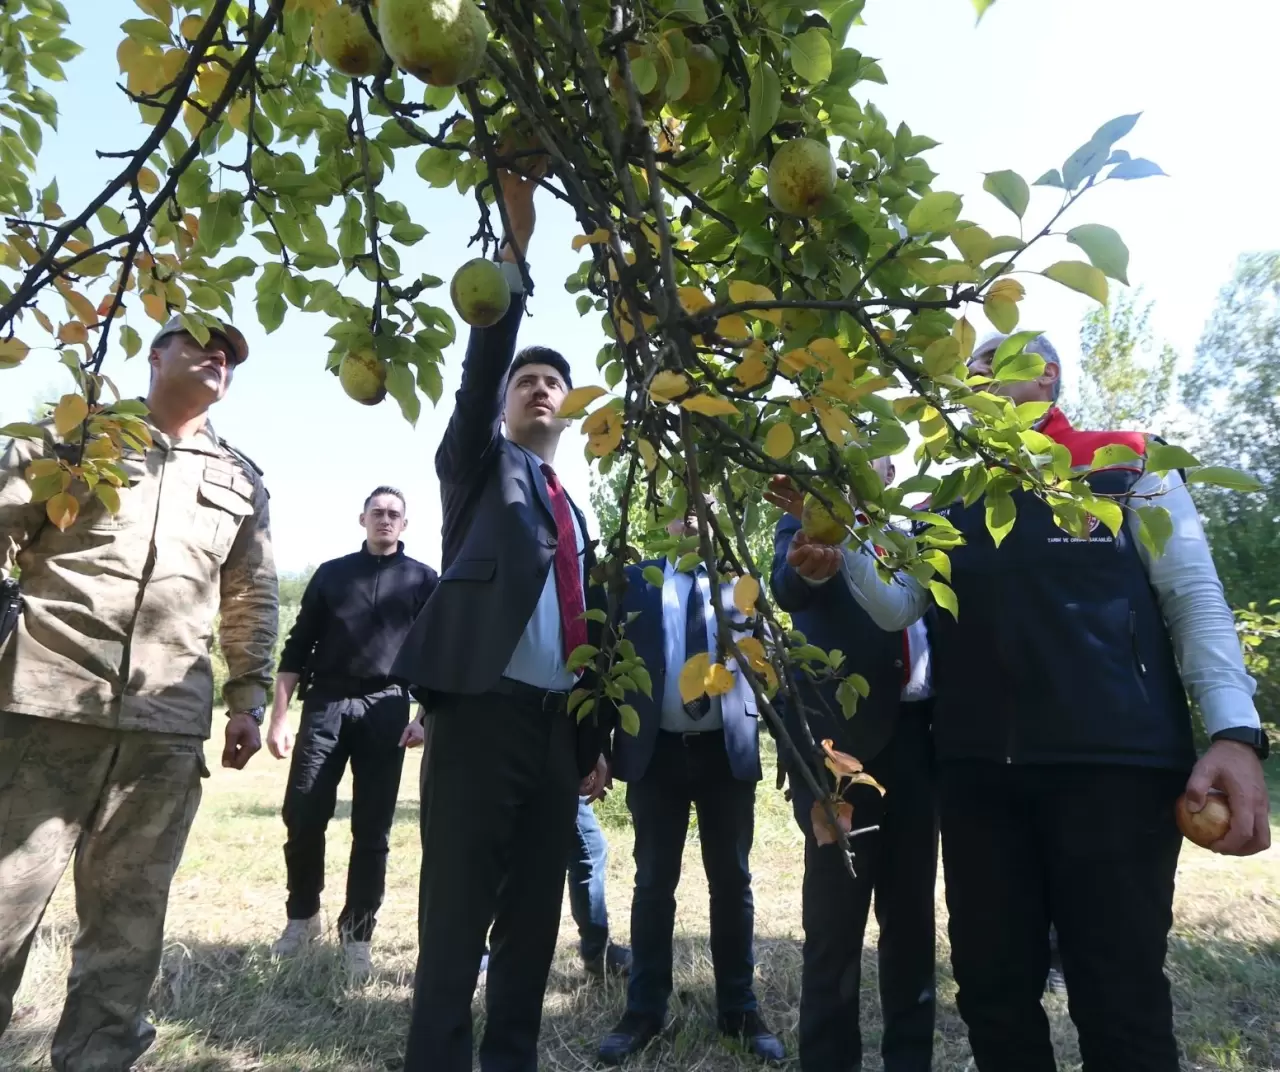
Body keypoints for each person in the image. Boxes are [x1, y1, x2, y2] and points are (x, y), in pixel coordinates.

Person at [785, 331, 1271, 1072]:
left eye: (989, 367)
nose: (972, 382)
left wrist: (1235, 732)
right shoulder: (948, 500)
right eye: (966, 375)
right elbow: (895, 606)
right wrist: (845, 525)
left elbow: (1194, 598)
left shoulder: (1127, 462)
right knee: (992, 994)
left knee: (1120, 999)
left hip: (1115, 772)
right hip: (979, 778)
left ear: (1045, 376)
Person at [0, 315, 277, 1071]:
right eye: (200, 343)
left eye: (229, 355)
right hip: (43, 702)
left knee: (129, 923)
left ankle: (97, 1059)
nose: (218, 357)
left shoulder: (240, 479)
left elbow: (250, 595)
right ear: (155, 356)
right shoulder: (75, 440)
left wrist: (248, 698)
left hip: (165, 726)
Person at [391, 167, 610, 1072]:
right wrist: (515, 248)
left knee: (532, 919)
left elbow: (589, 634)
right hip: (479, 713)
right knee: (456, 917)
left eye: (555, 380)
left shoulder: (575, 511)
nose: (540, 387)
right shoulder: (478, 470)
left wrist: (593, 738)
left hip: (555, 730)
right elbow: (481, 375)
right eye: (528, 379)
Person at [597, 496, 786, 1066]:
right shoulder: (636, 582)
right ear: (667, 517)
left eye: (706, 504)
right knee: (653, 883)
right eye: (684, 505)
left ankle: (739, 1009)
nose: (696, 514)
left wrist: (788, 745)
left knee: (733, 882)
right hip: (656, 755)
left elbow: (770, 666)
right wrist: (599, 747)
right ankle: (643, 1011)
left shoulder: (742, 586)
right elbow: (607, 666)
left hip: (726, 754)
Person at [769, 456, 938, 1072]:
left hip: (920, 743)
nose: (865, 456)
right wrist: (808, 563)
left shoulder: (919, 528)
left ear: (891, 469)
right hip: (840, 748)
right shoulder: (807, 515)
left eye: (876, 447)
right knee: (834, 923)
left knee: (912, 918)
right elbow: (788, 586)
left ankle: (909, 1060)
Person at [264, 486, 438, 979]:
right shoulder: (332, 574)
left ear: (405, 525)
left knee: (372, 828)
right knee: (303, 812)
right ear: (362, 519)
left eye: (394, 514)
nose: (385, 519)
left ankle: (357, 935)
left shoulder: (423, 580)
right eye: (377, 512)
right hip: (327, 703)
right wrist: (279, 717)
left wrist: (423, 717)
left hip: (388, 707)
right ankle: (302, 917)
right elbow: (296, 647)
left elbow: (436, 653)